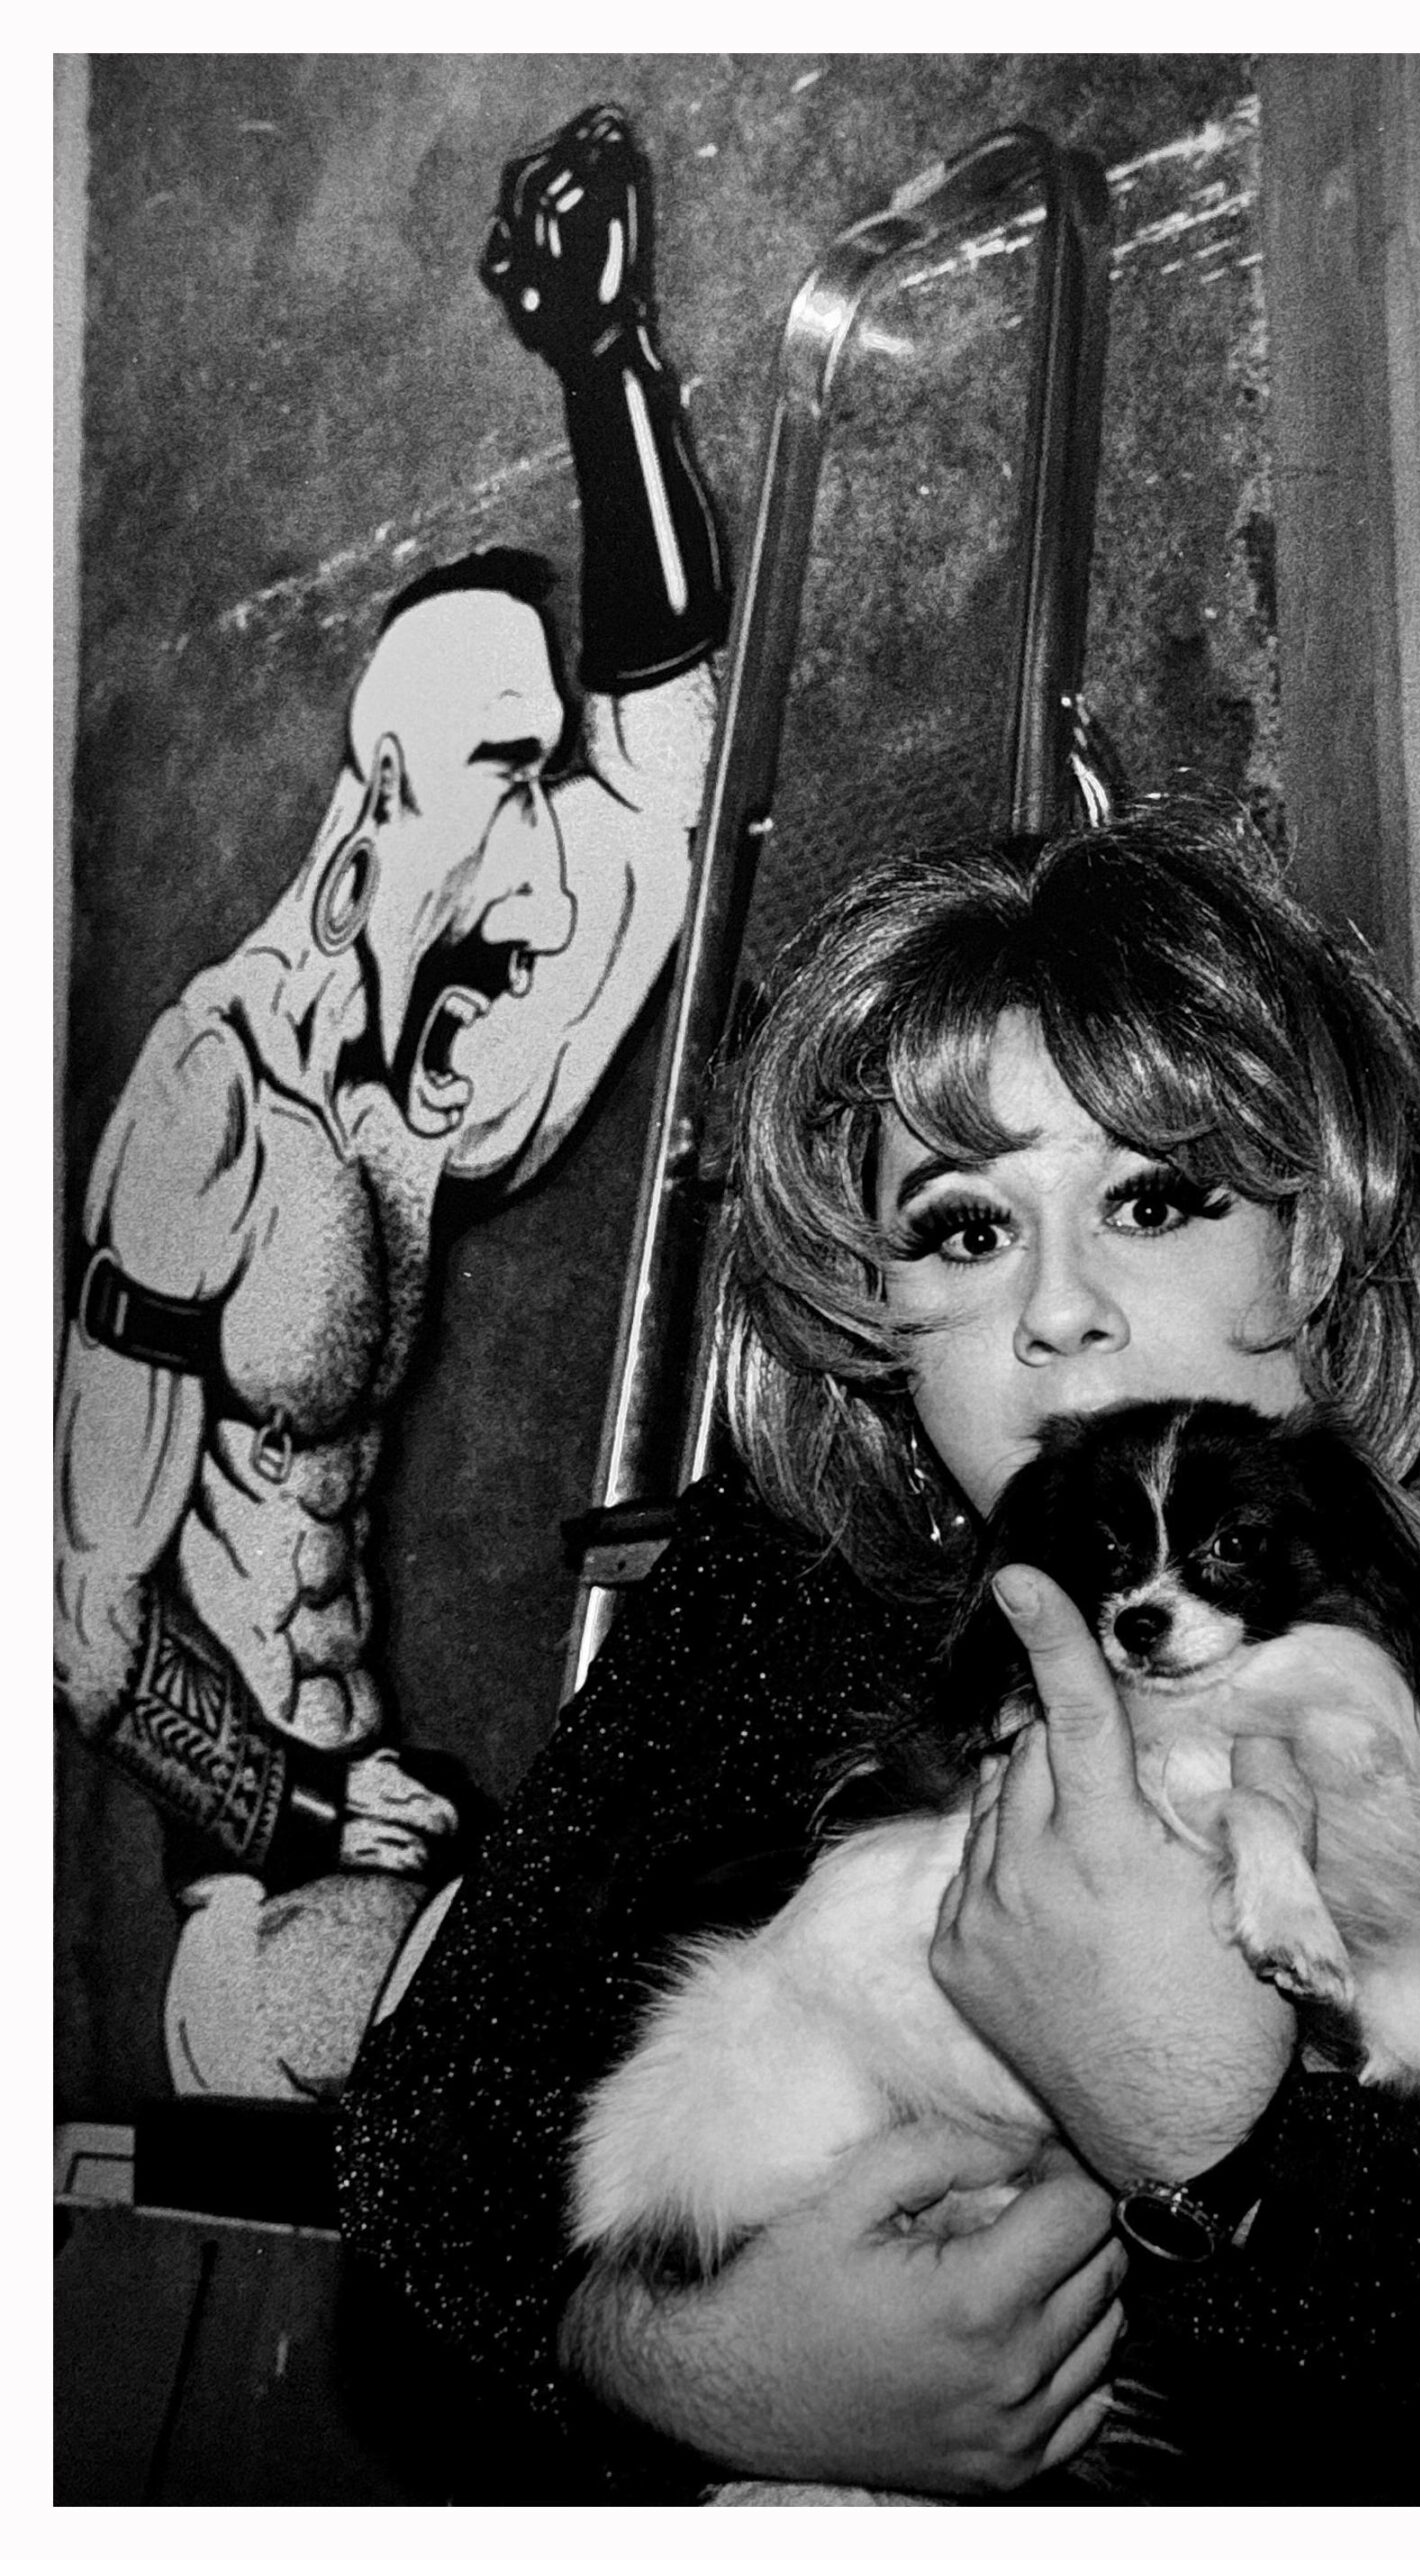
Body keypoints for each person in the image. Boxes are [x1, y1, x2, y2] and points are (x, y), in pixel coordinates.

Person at [336, 805, 1420, 2504]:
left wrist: (1221, 2146)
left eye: (1155, 1197)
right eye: (964, 1230)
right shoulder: (796, 1582)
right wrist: (679, 2364)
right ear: (874, 1314)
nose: (1061, 1308)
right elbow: (427, 2176)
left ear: (1321, 1232)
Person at [55, 104, 728, 2093]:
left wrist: (605, 366)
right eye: (507, 778)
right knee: (594, 2051)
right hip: (254, 1919)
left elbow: (665, 788)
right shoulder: (209, 1092)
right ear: (379, 810)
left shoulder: (430, 1096)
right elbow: (67, 1605)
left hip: (380, 1840)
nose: (543, 856)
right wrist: (300, 1806)